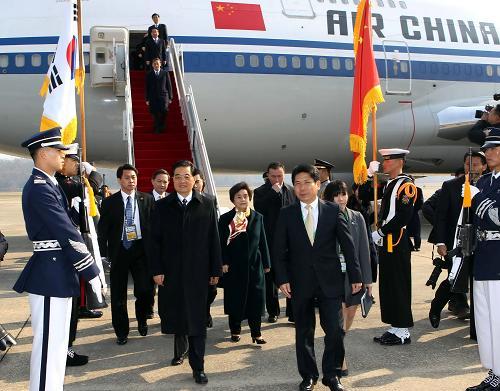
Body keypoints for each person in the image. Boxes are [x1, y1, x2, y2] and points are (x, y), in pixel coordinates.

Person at [13, 127, 102, 391]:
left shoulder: (50, 184)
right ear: (43, 154)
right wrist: (91, 269)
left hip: (58, 272)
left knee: (58, 344)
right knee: (49, 346)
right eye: (58, 151)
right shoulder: (40, 188)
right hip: (49, 274)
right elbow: (65, 231)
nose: (64, 155)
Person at [274, 163, 362, 391]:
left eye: (307, 182)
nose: (302, 188)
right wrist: (282, 279)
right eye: (297, 184)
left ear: (318, 184)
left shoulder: (333, 211)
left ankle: (331, 375)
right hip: (299, 282)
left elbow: (348, 246)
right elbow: (279, 251)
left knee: (334, 330)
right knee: (304, 331)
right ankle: (308, 376)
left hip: (330, 281)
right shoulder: (286, 214)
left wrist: (356, 276)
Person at [150, 160, 222, 385]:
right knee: (177, 317)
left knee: (198, 321)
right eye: (177, 176)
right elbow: (154, 243)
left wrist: (215, 269)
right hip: (171, 274)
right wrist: (157, 270)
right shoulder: (162, 206)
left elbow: (214, 239)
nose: (182, 180)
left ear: (194, 179)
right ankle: (178, 352)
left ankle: (198, 367)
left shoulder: (207, 204)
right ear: (172, 180)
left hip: (199, 274)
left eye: (186, 176)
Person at [55, 144, 106, 367]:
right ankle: (64, 349)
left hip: (71, 249)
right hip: (65, 252)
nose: (77, 166)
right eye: (74, 161)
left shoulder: (66, 182)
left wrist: (85, 170)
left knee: (74, 304)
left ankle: (67, 347)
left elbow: (90, 188)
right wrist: (89, 171)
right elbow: (93, 185)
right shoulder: (61, 183)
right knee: (67, 306)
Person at [429, 151, 487, 329]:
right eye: (468, 164)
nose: (472, 168)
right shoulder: (451, 186)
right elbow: (441, 216)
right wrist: (440, 242)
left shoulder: (490, 185)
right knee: (454, 278)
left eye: (476, 164)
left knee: (479, 282)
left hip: (482, 243)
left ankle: (478, 323)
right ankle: (436, 308)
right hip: (457, 242)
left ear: (484, 166)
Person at [98, 164, 154, 345]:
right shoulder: (109, 202)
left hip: (140, 251)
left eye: (134, 178)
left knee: (145, 289)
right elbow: (103, 231)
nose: (131, 181)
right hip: (119, 251)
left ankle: (142, 319)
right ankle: (121, 331)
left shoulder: (147, 199)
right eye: (128, 178)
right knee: (118, 294)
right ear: (120, 180)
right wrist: (103, 255)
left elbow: (154, 228)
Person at [365, 148, 417, 346]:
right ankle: (395, 326)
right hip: (387, 240)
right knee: (389, 285)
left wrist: (380, 232)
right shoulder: (390, 184)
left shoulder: (407, 186)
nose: (384, 164)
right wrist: (370, 176)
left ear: (399, 162)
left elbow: (404, 216)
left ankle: (403, 330)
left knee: (399, 284)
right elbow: (363, 194)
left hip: (397, 240)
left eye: (388, 160)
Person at [323, 180, 372, 377]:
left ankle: (337, 344)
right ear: (329, 197)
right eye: (336, 195)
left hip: (353, 276)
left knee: (350, 314)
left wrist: (367, 280)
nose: (340, 198)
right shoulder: (323, 218)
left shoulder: (357, 217)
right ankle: (340, 358)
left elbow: (363, 249)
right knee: (339, 317)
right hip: (333, 275)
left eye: (343, 194)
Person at [465, 127, 500, 391]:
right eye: (486, 149)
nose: (488, 153)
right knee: (485, 319)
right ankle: (493, 371)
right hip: (483, 255)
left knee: (498, 319)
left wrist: (479, 200)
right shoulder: (485, 181)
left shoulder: (484, 187)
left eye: (493, 148)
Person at [219, 182, 270, 344]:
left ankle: (256, 333)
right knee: (235, 299)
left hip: (255, 266)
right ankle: (235, 330)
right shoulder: (225, 219)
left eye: (246, 196)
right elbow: (221, 243)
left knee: (256, 300)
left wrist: (267, 263)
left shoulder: (257, 217)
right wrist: (224, 261)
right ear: (232, 200)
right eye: (239, 197)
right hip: (234, 267)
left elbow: (263, 242)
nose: (243, 199)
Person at [254, 161, 296, 323]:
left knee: (292, 276)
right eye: (273, 176)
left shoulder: (292, 191)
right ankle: (273, 311)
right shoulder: (260, 192)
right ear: (268, 175)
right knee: (270, 278)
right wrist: (273, 193)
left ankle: (292, 313)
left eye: (280, 176)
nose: (277, 179)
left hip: (290, 242)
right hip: (270, 241)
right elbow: (259, 210)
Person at [193, 168, 218, 329]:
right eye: (192, 181)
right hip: (190, 254)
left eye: (197, 181)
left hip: (207, 252)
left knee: (212, 290)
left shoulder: (210, 200)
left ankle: (205, 310)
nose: (195, 185)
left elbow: (214, 227)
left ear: (203, 183)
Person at [145, 57, 173, 134]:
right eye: (154, 64)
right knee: (155, 113)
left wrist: (170, 97)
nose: (156, 65)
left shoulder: (165, 73)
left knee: (164, 111)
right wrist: (147, 99)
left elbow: (169, 85)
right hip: (153, 97)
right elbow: (147, 87)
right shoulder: (149, 74)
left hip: (163, 96)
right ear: (152, 65)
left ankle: (161, 125)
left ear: (160, 64)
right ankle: (157, 128)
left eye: (157, 63)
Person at [406, 180, 423, 251]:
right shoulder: (418, 189)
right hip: (413, 212)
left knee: (407, 230)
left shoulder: (406, 190)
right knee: (416, 231)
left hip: (408, 212)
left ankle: (412, 246)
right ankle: (416, 246)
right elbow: (421, 202)